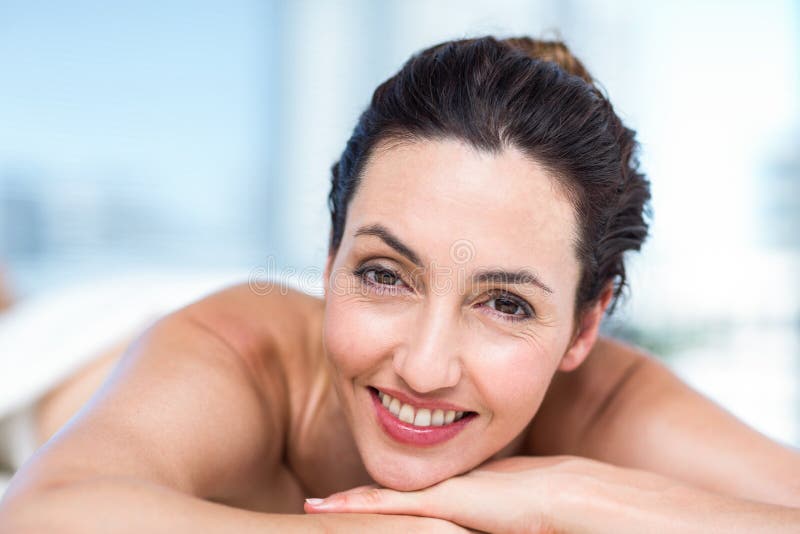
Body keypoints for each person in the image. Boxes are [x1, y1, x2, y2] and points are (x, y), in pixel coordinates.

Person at [1, 35, 799, 533]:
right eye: (384, 274)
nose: (423, 366)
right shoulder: (235, 349)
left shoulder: (605, 402)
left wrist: (580, 502)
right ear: (328, 259)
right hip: (95, 341)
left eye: (506, 303)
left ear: (586, 328)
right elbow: (42, 517)